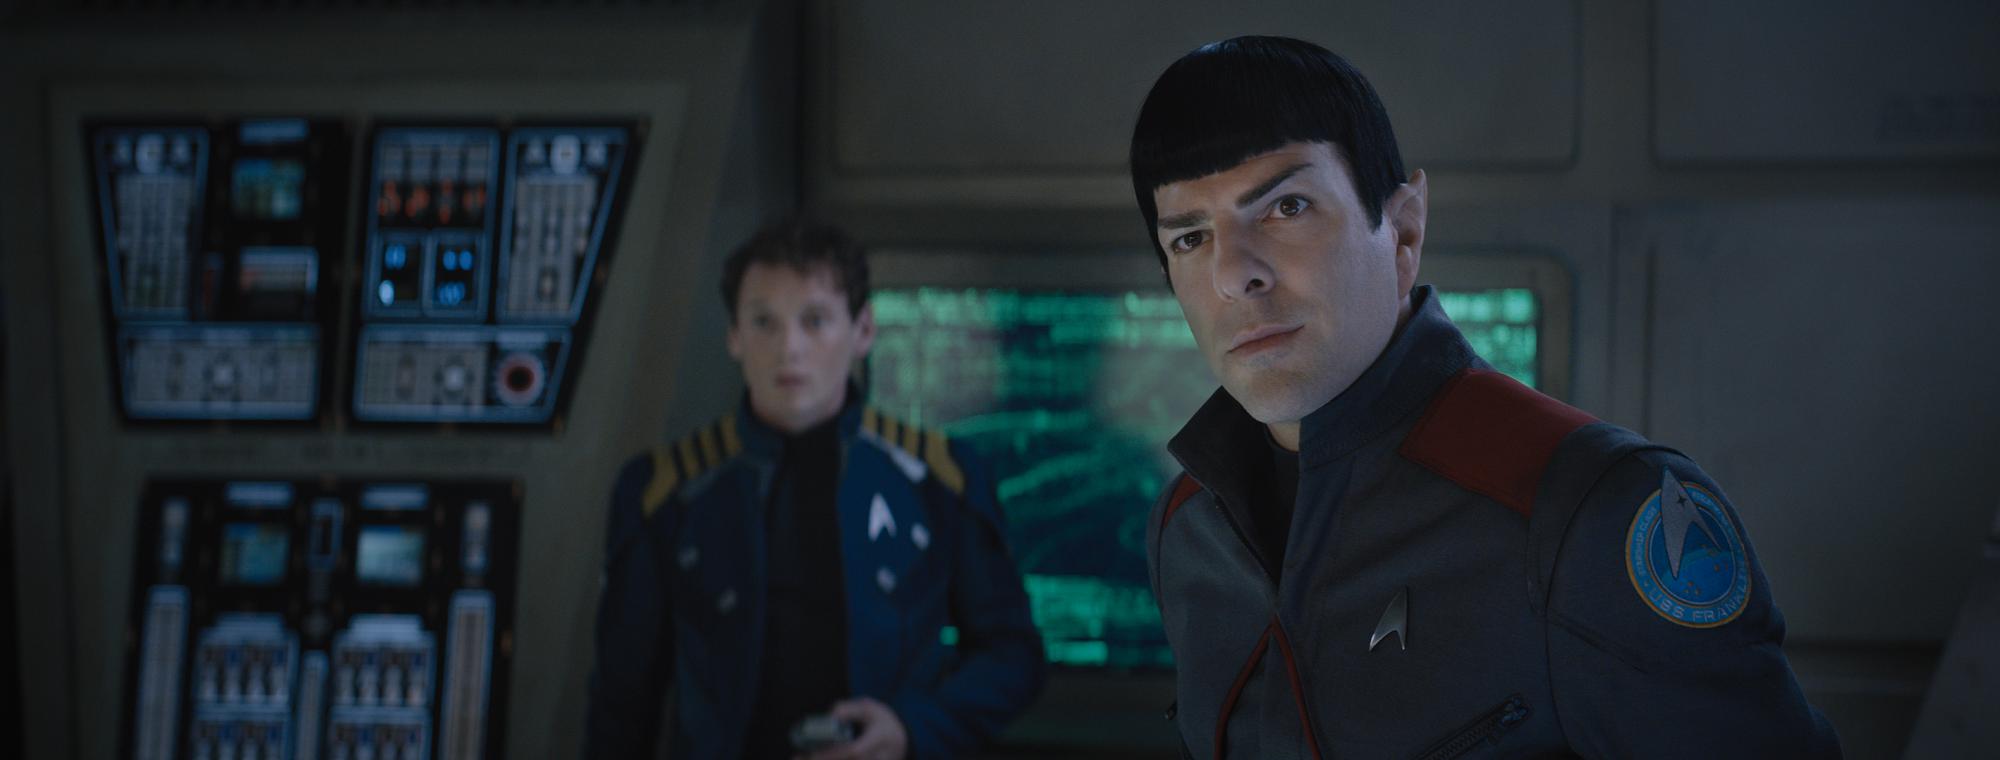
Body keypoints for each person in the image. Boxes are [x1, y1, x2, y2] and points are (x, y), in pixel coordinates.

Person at [1131, 36, 1841, 758]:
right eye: (1190, 239)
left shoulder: (1591, 512)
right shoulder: (1188, 528)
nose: (1234, 274)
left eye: (1287, 207)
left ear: (1404, 230)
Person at [585, 219, 1046, 759]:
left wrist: (910, 729)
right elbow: (621, 705)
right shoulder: (666, 492)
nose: (789, 349)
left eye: (815, 321)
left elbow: (1012, 656)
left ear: (863, 331)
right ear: (734, 335)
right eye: (764, 322)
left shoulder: (940, 480)